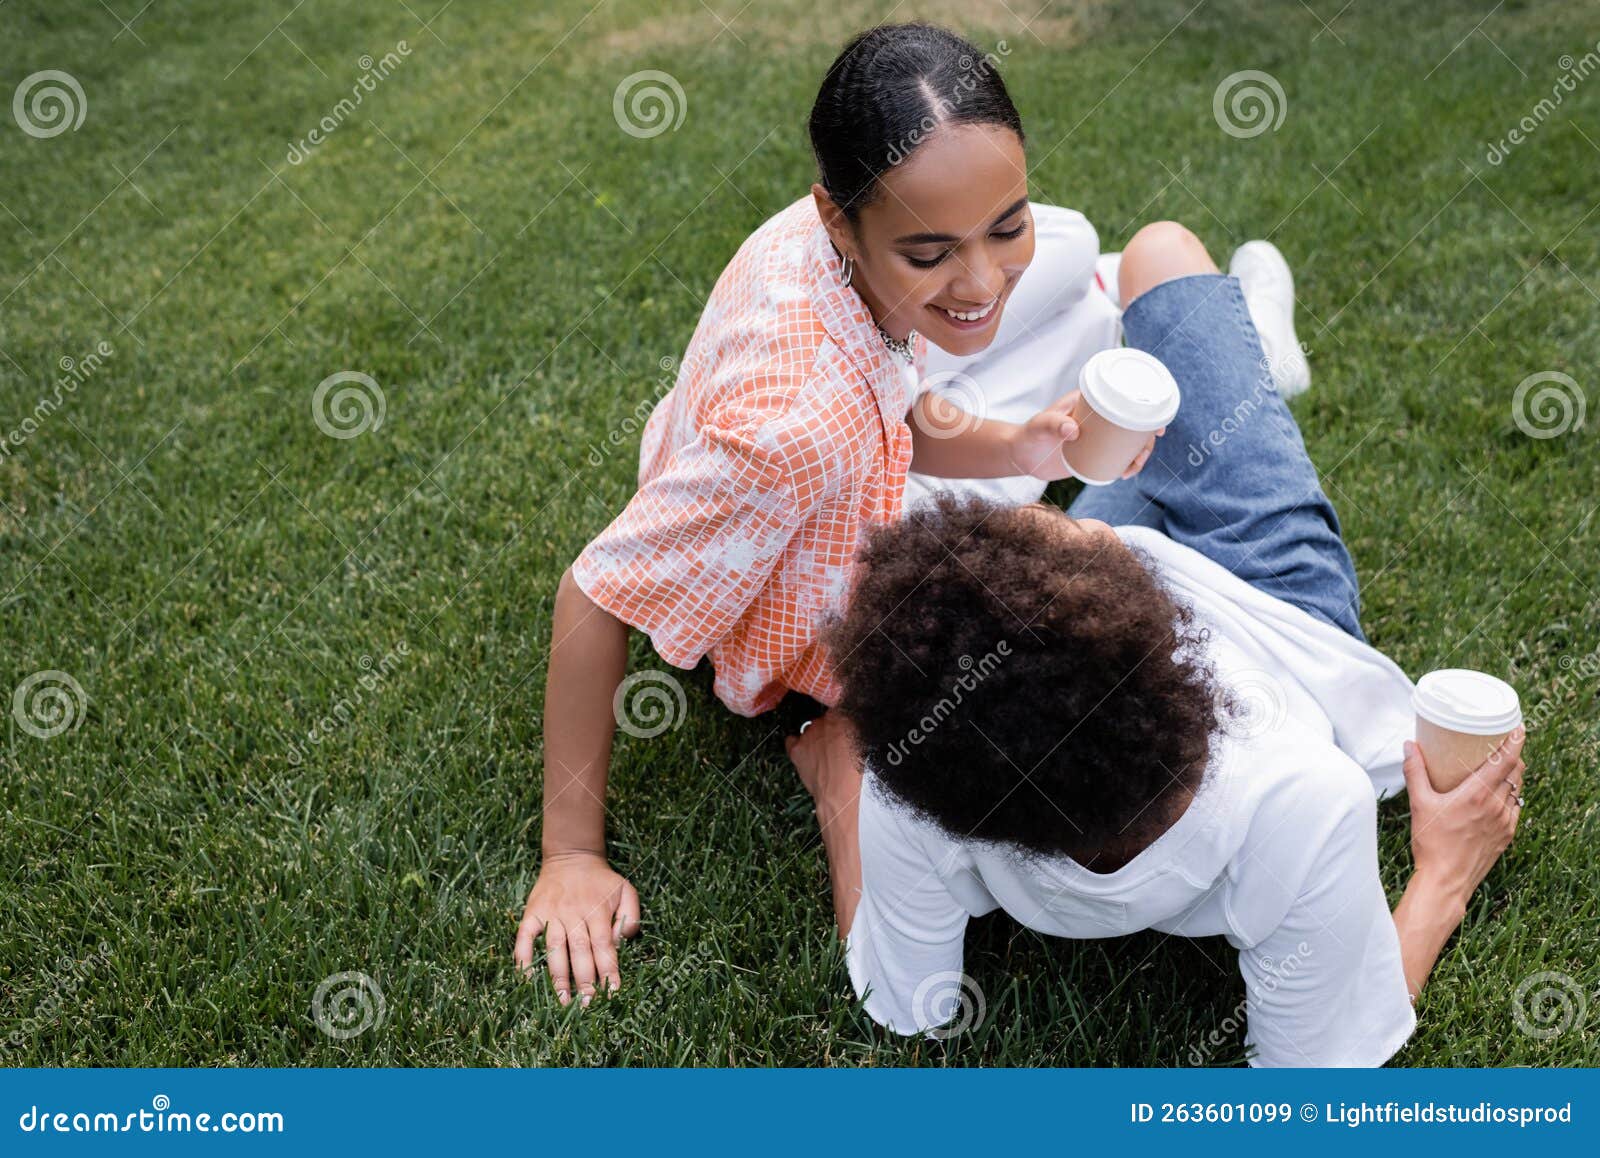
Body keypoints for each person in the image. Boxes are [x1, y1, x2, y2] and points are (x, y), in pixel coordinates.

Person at [513, 21, 1183, 1003]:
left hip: (823, 489)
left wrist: (1012, 445)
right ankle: (827, 733)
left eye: (1006, 222)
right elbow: (595, 591)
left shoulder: (826, 235)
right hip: (804, 607)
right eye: (930, 251)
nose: (981, 276)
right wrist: (570, 854)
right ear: (841, 221)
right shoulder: (794, 435)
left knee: (1072, 252)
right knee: (1064, 557)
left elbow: (889, 384)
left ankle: (1090, 289)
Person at [789, 226, 1524, 1065]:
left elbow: (906, 1004)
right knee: (1161, 255)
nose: (1058, 519)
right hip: (1269, 599)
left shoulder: (921, 756)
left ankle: (1214, 385)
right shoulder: (1302, 802)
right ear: (1168, 636)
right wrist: (1443, 874)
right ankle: (1259, 354)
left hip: (1055, 654)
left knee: (1138, 428)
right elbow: (1311, 1094)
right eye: (1057, 535)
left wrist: (843, 790)